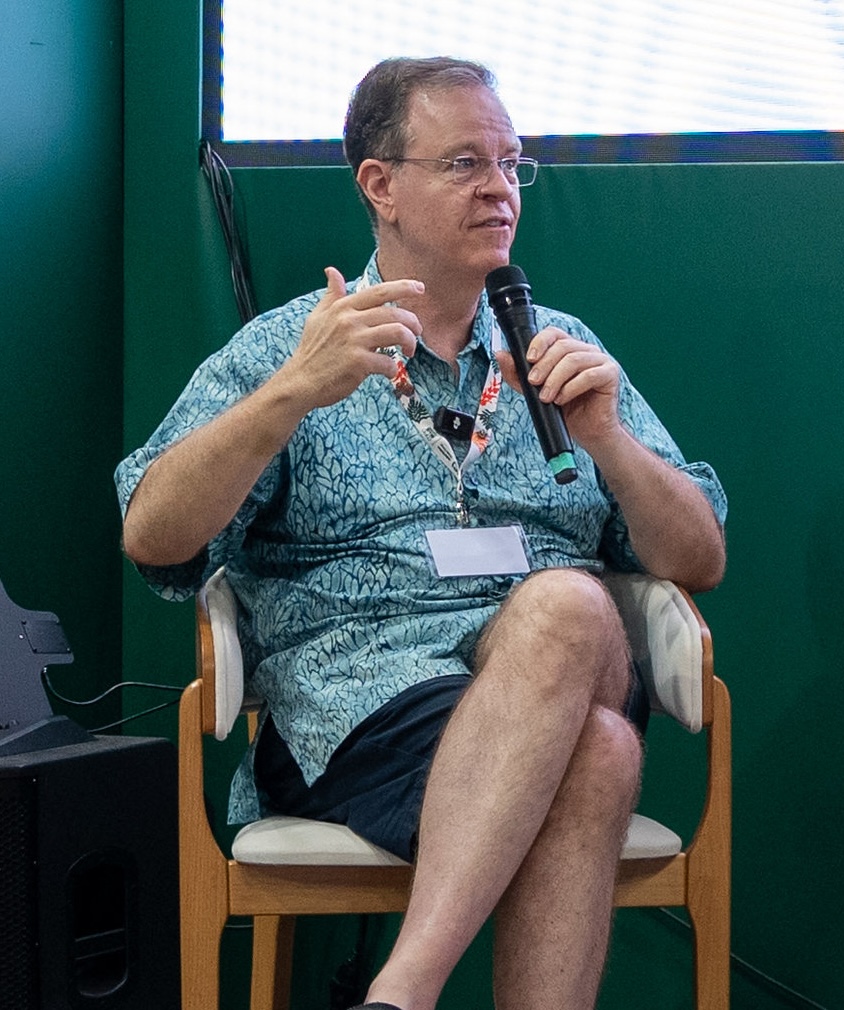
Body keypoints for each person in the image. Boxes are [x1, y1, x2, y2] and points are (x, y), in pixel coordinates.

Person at [116, 57, 725, 1010]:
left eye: (512, 164)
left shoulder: (558, 346)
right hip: (359, 707)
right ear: (380, 185)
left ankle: (401, 994)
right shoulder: (296, 346)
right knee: (600, 753)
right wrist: (289, 397)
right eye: (465, 163)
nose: (499, 188)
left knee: (565, 608)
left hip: (558, 666)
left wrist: (606, 439)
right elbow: (153, 535)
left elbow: (697, 559)